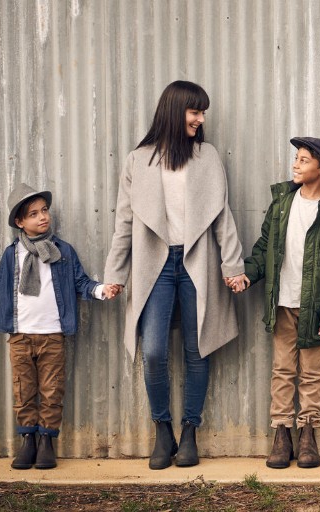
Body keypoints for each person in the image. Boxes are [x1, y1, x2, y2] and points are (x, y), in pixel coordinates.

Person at [103, 80, 248, 470]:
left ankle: (190, 433)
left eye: (202, 113)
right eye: (194, 111)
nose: (200, 120)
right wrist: (115, 274)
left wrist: (233, 267)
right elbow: (124, 224)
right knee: (153, 350)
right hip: (155, 264)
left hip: (196, 260)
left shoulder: (207, 156)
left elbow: (223, 216)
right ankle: (162, 430)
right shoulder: (139, 160)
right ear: (174, 110)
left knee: (197, 349)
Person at [241, 136, 320, 469]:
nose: (296, 164)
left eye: (304, 160)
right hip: (283, 303)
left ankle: (308, 434)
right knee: (282, 369)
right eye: (296, 158)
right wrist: (248, 276)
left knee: (311, 373)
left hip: (316, 309)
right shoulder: (282, 204)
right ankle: (281, 433)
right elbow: (265, 248)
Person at [0, 183, 119, 470]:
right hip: (21, 335)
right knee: (23, 390)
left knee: (52, 391)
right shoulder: (12, 254)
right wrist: (12, 317)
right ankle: (28, 441)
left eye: (45, 210)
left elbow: (80, 282)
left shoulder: (62, 251)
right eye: (34, 214)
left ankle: (47, 442)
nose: (42, 217)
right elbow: (0, 288)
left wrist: (102, 290)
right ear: (20, 222)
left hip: (52, 334)